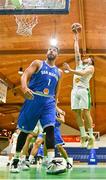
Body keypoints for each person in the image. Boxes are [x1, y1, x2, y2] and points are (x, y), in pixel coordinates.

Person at [10, 46, 64, 173]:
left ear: (57, 55)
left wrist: (56, 106)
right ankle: (16, 161)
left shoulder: (59, 72)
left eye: (54, 50)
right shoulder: (38, 63)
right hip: (34, 98)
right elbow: (25, 75)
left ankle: (51, 163)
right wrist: (24, 88)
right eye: (49, 49)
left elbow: (57, 92)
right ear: (47, 52)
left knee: (50, 128)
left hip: (49, 102)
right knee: (24, 132)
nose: (51, 51)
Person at [63, 23, 95, 149]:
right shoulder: (79, 63)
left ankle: (91, 136)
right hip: (74, 90)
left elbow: (82, 73)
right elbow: (76, 50)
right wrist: (76, 37)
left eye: (89, 58)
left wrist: (70, 71)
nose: (86, 58)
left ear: (91, 61)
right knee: (76, 112)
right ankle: (83, 135)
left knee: (86, 113)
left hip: (83, 90)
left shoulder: (91, 68)